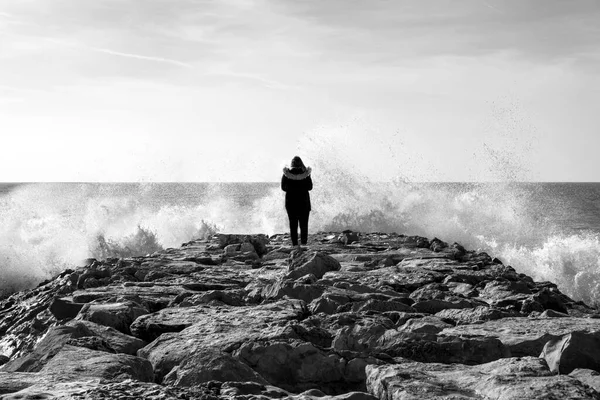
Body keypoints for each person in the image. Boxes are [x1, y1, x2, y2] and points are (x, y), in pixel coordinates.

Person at [281, 156, 313, 248]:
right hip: (304, 202)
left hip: (291, 202)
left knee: (293, 224)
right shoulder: (305, 173)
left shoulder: (286, 174)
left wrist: (291, 188)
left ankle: (295, 244)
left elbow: (283, 188)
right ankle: (303, 243)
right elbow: (310, 187)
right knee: (304, 224)